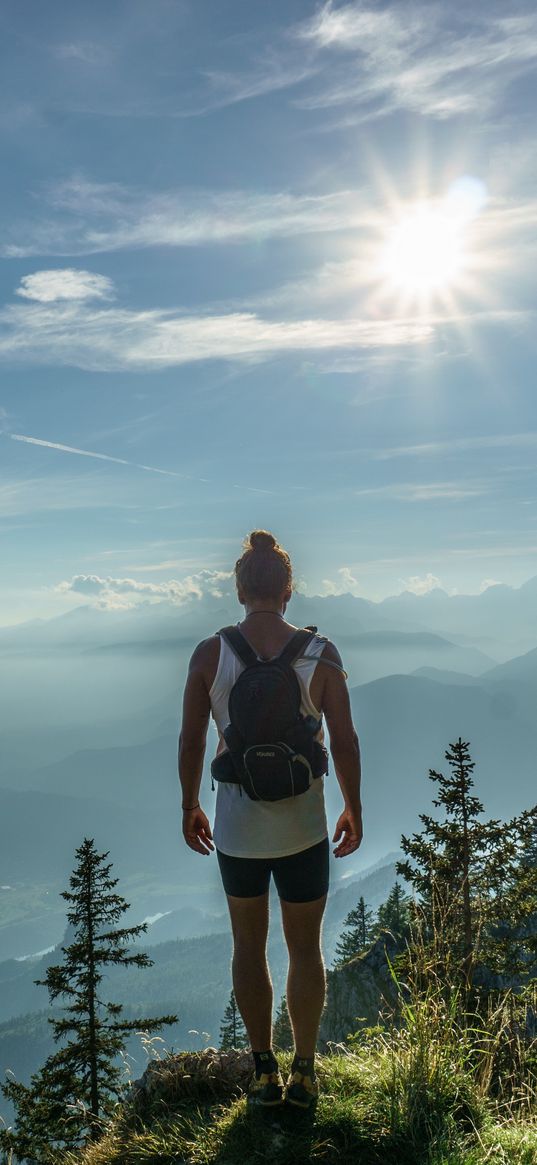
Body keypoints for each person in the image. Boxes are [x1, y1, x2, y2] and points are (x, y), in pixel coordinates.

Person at [178, 529, 363, 1108]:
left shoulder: (212, 654)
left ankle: (263, 1074)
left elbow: (191, 738)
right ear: (288, 588)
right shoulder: (321, 654)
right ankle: (305, 1073)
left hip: (238, 830)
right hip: (304, 827)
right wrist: (354, 806)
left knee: (247, 947)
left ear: (240, 589)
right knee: (305, 949)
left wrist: (190, 804)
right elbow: (346, 740)